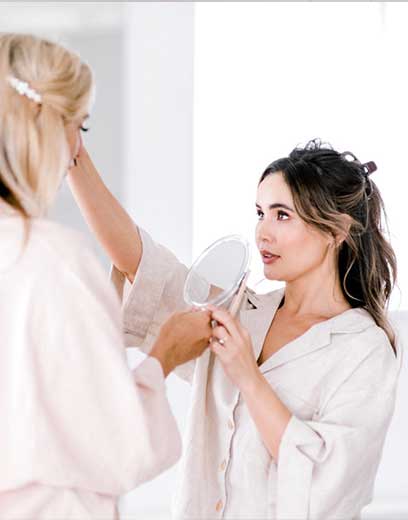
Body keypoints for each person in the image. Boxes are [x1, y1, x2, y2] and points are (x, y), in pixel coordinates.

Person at [69, 136, 402, 519]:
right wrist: (75, 157)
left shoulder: (363, 350)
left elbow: (327, 483)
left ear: (337, 231)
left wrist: (247, 374)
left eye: (282, 215)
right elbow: (138, 264)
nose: (263, 233)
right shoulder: (240, 311)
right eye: (260, 213)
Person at [0, 33, 212, 520]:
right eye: (81, 127)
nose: (76, 149)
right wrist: (164, 355)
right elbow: (118, 447)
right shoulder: (53, 261)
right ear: (48, 125)